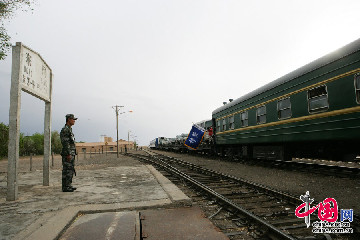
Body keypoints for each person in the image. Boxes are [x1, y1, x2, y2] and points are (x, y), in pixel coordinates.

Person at [60, 114, 78, 192]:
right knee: (67, 170)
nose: (74, 121)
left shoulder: (69, 129)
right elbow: (65, 143)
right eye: (73, 119)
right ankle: (65, 187)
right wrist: (68, 153)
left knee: (70, 169)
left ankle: (68, 185)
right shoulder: (65, 130)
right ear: (69, 119)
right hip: (68, 154)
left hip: (71, 153)